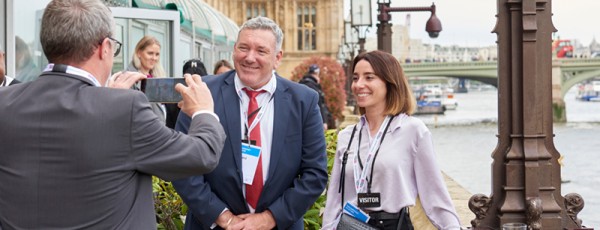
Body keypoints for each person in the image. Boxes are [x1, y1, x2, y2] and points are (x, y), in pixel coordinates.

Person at [0, 0, 226, 228]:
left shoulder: (5, 102)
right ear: (104, 47)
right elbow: (202, 154)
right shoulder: (124, 109)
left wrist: (108, 99)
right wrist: (203, 111)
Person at [172, 16, 328, 230]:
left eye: (261, 51)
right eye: (243, 48)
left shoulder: (303, 100)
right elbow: (182, 165)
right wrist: (223, 217)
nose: (249, 57)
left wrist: (270, 218)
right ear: (234, 49)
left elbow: (315, 173)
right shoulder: (202, 92)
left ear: (277, 57)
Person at [322, 50, 461, 230]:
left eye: (369, 77)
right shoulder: (347, 136)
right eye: (355, 78)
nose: (359, 84)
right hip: (351, 225)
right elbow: (334, 200)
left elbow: (435, 197)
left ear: (390, 82)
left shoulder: (413, 131)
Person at [127, 35, 167, 122]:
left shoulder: (158, 76)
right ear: (139, 53)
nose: (154, 58)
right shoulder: (128, 78)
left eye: (157, 54)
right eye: (150, 53)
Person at [164, 59, 209, 129]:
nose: (193, 85)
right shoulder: (173, 105)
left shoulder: (212, 101)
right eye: (190, 80)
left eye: (197, 80)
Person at [299, 64, 332, 130]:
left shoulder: (301, 84)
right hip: (314, 121)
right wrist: (324, 121)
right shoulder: (313, 87)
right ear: (317, 74)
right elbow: (319, 104)